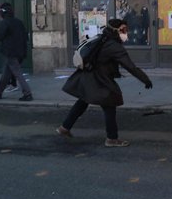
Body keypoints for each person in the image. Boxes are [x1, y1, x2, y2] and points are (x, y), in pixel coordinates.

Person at [57, 18, 152, 147]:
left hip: (89, 76)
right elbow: (130, 67)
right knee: (109, 105)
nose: (126, 33)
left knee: (83, 101)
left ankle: (64, 128)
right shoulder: (114, 47)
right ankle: (111, 138)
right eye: (123, 30)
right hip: (100, 80)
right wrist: (145, 79)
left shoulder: (103, 38)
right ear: (115, 30)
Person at [0, 2, 33, 101]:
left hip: (11, 52)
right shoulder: (18, 22)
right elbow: (25, 37)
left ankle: (27, 93)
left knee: (17, 73)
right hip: (21, 52)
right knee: (7, 72)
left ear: (2, 13)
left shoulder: (5, 22)